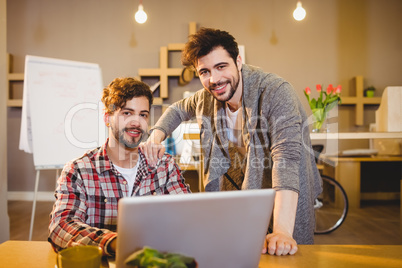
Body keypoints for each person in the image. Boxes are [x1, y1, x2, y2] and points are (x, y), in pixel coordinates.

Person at [141, 28, 322, 256]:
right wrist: (156, 135)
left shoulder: (275, 92)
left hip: (287, 191)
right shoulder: (207, 96)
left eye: (221, 67)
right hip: (244, 187)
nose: (214, 79)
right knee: (238, 251)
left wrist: (283, 231)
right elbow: (178, 109)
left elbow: (286, 160)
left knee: (287, 252)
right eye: (204, 71)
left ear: (238, 61)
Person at [48, 77, 191, 256]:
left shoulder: (164, 166)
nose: (136, 122)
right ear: (107, 118)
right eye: (126, 113)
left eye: (143, 114)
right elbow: (61, 226)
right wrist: (117, 242)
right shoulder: (78, 170)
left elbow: (188, 218)